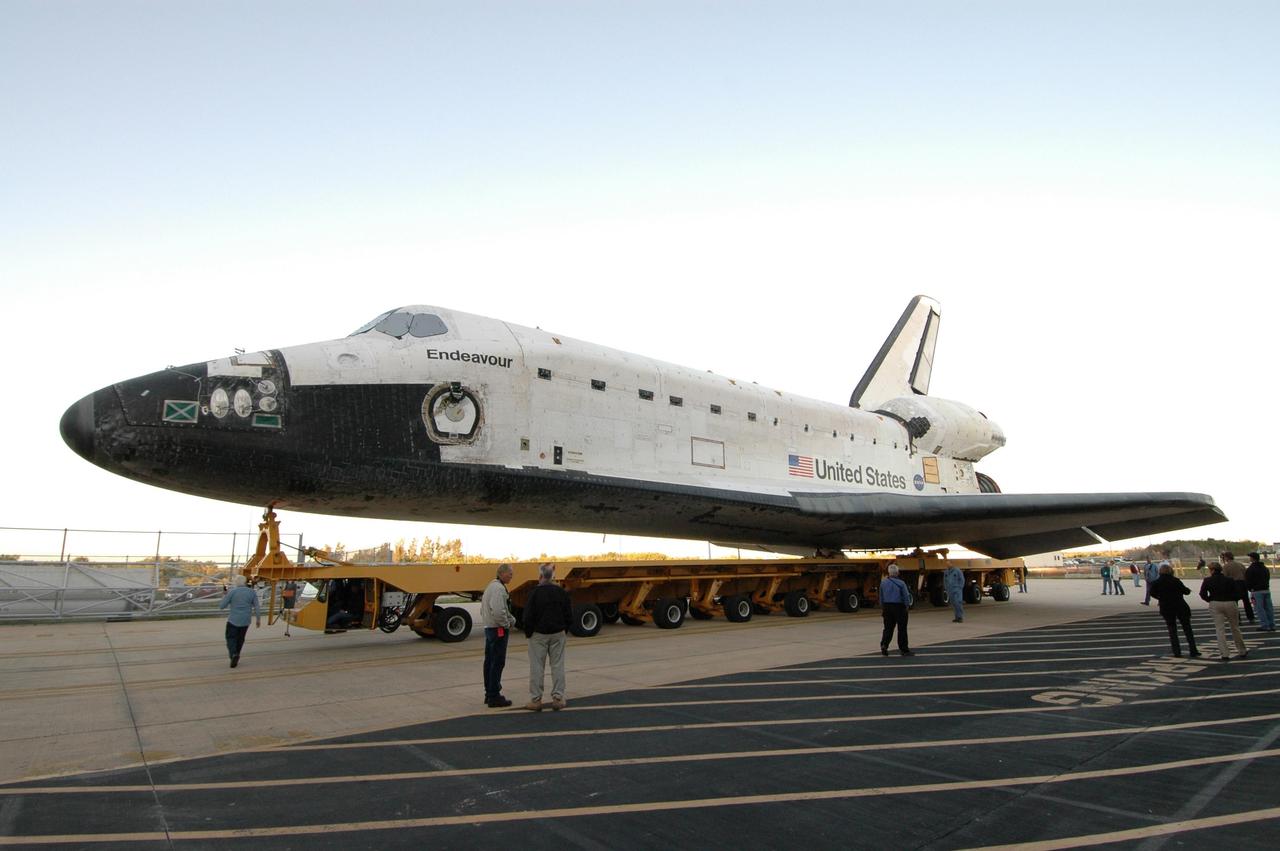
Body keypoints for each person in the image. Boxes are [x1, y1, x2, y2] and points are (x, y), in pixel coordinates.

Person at [523, 563, 572, 711]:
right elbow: (568, 614)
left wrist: (528, 632)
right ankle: (558, 697)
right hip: (558, 633)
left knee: (537, 667)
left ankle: (536, 700)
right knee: (557, 665)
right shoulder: (561, 592)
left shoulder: (534, 593)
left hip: (539, 634)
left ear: (540, 576)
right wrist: (565, 629)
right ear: (553, 577)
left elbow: (527, 616)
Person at [480, 563, 516, 708]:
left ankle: (489, 693)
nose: (511, 576)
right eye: (509, 574)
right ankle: (494, 695)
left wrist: (510, 618)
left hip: (490, 628)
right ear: (502, 574)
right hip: (497, 629)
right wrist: (507, 624)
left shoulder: (491, 586)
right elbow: (499, 611)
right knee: (497, 662)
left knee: (489, 661)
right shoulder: (499, 589)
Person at [1149, 563, 1199, 657]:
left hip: (1166, 607)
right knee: (1187, 629)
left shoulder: (1156, 582)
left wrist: (1161, 598)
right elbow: (1185, 591)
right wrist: (1187, 590)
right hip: (1180, 606)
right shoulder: (1175, 580)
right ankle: (1193, 650)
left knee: (1172, 630)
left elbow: (1152, 593)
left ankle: (1177, 651)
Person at [1199, 563, 1248, 661]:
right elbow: (1238, 592)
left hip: (1215, 603)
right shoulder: (1229, 580)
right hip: (1230, 602)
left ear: (1212, 570)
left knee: (1220, 629)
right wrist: (1234, 598)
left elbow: (1202, 593)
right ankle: (1242, 650)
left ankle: (1224, 653)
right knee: (1235, 627)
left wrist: (1209, 599)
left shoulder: (1208, 580)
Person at [218, 575, 261, 668]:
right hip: (246, 620)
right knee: (240, 639)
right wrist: (258, 619)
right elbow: (257, 606)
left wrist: (224, 594)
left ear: (236, 583)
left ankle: (233, 654)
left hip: (233, 619)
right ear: (245, 582)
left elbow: (222, 606)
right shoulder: (252, 592)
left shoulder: (232, 592)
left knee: (230, 638)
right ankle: (237, 653)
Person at [879, 564, 913, 656]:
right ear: (897, 573)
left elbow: (881, 596)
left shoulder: (883, 583)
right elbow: (906, 596)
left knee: (888, 628)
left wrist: (882, 607)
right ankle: (904, 649)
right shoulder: (901, 583)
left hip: (887, 607)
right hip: (899, 607)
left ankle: (884, 644)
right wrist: (907, 606)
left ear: (889, 573)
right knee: (902, 629)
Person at [1221, 552, 1255, 623]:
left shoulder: (1226, 566)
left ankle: (1238, 619)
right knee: (1246, 602)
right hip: (1243, 584)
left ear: (1226, 557)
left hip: (1233, 584)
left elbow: (1224, 577)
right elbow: (1246, 574)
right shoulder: (1240, 564)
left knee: (1234, 603)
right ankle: (1251, 617)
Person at [1245, 552, 1274, 632]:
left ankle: (1265, 625)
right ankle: (1272, 624)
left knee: (1260, 609)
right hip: (1266, 589)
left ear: (1252, 558)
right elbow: (1268, 577)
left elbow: (1248, 580)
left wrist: (1250, 589)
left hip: (1256, 591)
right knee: (1268, 608)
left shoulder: (1251, 569)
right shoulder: (1265, 568)